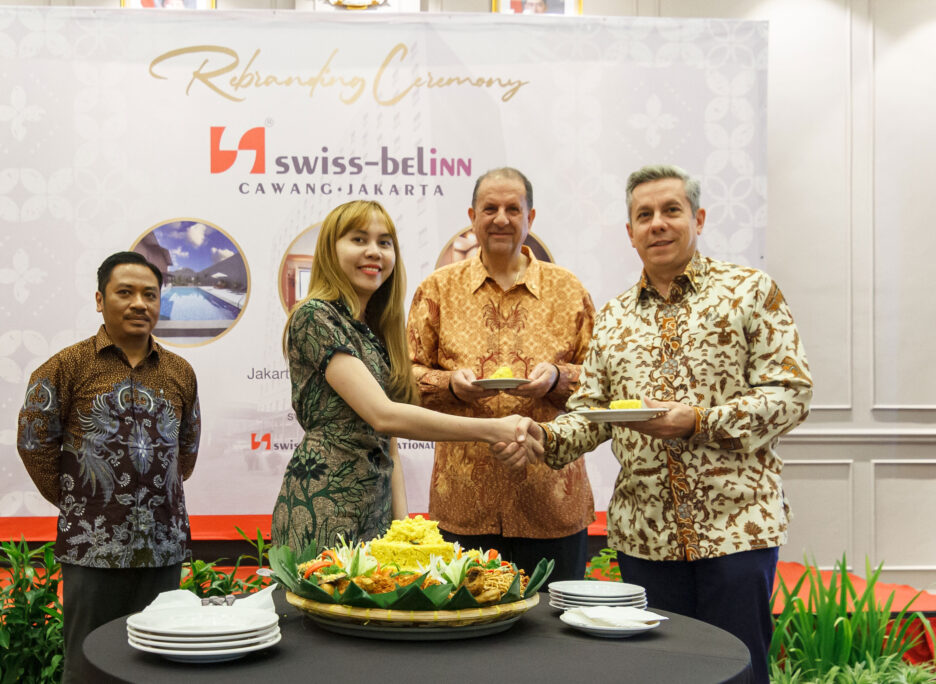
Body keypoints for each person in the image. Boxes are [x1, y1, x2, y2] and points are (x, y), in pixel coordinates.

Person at [497, 164, 813, 684]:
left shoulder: (750, 291)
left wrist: (700, 421)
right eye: (644, 216)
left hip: (736, 527)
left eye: (671, 211)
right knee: (662, 674)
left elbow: (792, 393)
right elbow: (591, 413)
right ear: (630, 233)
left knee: (740, 669)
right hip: (646, 536)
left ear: (699, 217)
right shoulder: (616, 316)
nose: (658, 224)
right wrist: (544, 438)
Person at [270, 200, 536, 554]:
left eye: (384, 242)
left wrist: (402, 528)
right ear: (330, 251)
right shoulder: (315, 316)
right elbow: (384, 414)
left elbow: (388, 438)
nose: (374, 252)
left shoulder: (371, 331)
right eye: (358, 239)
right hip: (323, 505)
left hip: (375, 510)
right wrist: (493, 429)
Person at [16, 251, 200, 683]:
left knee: (159, 662)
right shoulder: (66, 366)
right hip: (92, 546)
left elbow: (186, 451)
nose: (140, 303)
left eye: (150, 295)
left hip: (162, 545)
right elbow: (33, 442)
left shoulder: (180, 372)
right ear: (100, 300)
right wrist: (80, 502)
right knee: (88, 662)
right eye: (125, 292)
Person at [406, 167, 597, 582]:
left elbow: (603, 386)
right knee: (467, 633)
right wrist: (450, 385)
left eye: (513, 208)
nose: (501, 218)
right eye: (490, 208)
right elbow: (404, 380)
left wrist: (558, 379)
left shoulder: (569, 290)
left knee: (556, 632)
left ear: (531, 218)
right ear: (472, 216)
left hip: (551, 497)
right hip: (463, 502)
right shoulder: (436, 290)